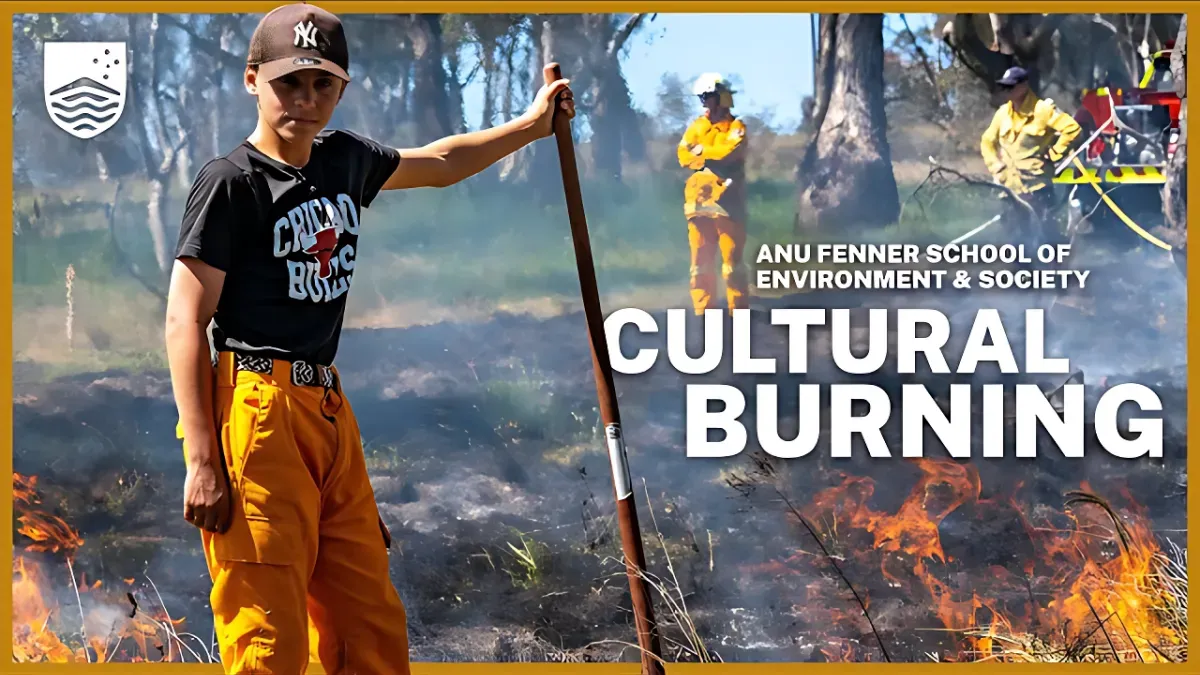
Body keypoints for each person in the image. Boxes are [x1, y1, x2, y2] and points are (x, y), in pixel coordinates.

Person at [162, 3, 574, 673]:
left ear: (342, 89)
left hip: (327, 411)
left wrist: (531, 126)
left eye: (323, 84)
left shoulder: (345, 160)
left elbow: (440, 161)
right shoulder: (231, 182)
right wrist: (203, 457)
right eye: (289, 83)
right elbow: (186, 317)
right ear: (252, 80)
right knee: (269, 640)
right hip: (255, 413)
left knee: (369, 625)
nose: (306, 99)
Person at [980, 66, 1081, 248]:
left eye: (1011, 86)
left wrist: (1054, 153)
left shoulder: (1043, 110)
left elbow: (1072, 129)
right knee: (1014, 237)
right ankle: (1021, 273)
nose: (1007, 91)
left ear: (1024, 86)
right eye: (1005, 87)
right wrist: (996, 166)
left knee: (1043, 235)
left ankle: (1055, 271)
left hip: (1037, 187)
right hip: (1009, 188)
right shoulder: (1002, 113)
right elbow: (987, 141)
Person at [676, 73, 749, 317]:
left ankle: (737, 313)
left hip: (728, 203)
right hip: (698, 203)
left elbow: (728, 152)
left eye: (708, 96)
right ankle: (703, 313)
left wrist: (700, 151)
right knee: (700, 265)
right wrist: (705, 153)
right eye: (702, 97)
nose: (704, 102)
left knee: (731, 266)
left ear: (721, 97)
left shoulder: (736, 127)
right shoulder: (697, 126)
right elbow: (683, 155)